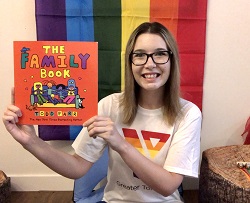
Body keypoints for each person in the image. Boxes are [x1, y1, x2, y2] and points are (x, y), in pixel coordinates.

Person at [2, 22, 202, 203]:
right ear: (130, 63)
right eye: (139, 55)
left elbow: (167, 186)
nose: (150, 63)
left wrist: (121, 144)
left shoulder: (188, 114)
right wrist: (30, 141)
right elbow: (76, 167)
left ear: (172, 60)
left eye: (160, 53)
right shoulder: (109, 105)